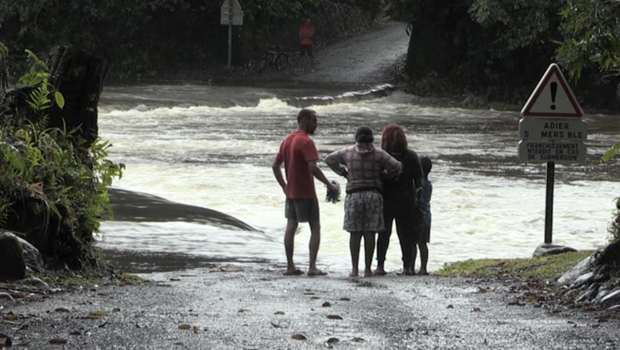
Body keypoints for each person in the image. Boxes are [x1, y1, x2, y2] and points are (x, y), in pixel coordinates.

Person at [326, 126, 402, 277]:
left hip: (354, 195)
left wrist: (344, 173)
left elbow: (329, 159)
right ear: (372, 139)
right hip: (373, 195)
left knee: (355, 233)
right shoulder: (380, 154)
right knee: (370, 233)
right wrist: (385, 175)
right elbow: (397, 166)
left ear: (356, 138)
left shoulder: (347, 152)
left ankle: (354, 269)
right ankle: (367, 269)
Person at [272, 109, 338, 276]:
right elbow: (312, 167)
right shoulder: (307, 142)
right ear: (305, 120)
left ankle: (290, 265)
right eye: (314, 121)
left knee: (291, 226)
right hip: (306, 193)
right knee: (315, 226)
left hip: (291, 192)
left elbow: (275, 166)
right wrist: (328, 184)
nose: (316, 125)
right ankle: (312, 267)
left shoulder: (287, 140)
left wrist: (284, 186)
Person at [375, 124, 424, 276]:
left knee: (384, 234)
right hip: (406, 201)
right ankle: (407, 267)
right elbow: (419, 181)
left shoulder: (381, 156)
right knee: (405, 235)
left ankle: (380, 266)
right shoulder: (411, 156)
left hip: (386, 200)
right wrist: (418, 200)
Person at [415, 156, 433, 275]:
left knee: (412, 243)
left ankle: (410, 266)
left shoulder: (418, 184)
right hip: (427, 216)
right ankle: (423, 268)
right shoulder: (429, 184)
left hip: (417, 216)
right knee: (423, 244)